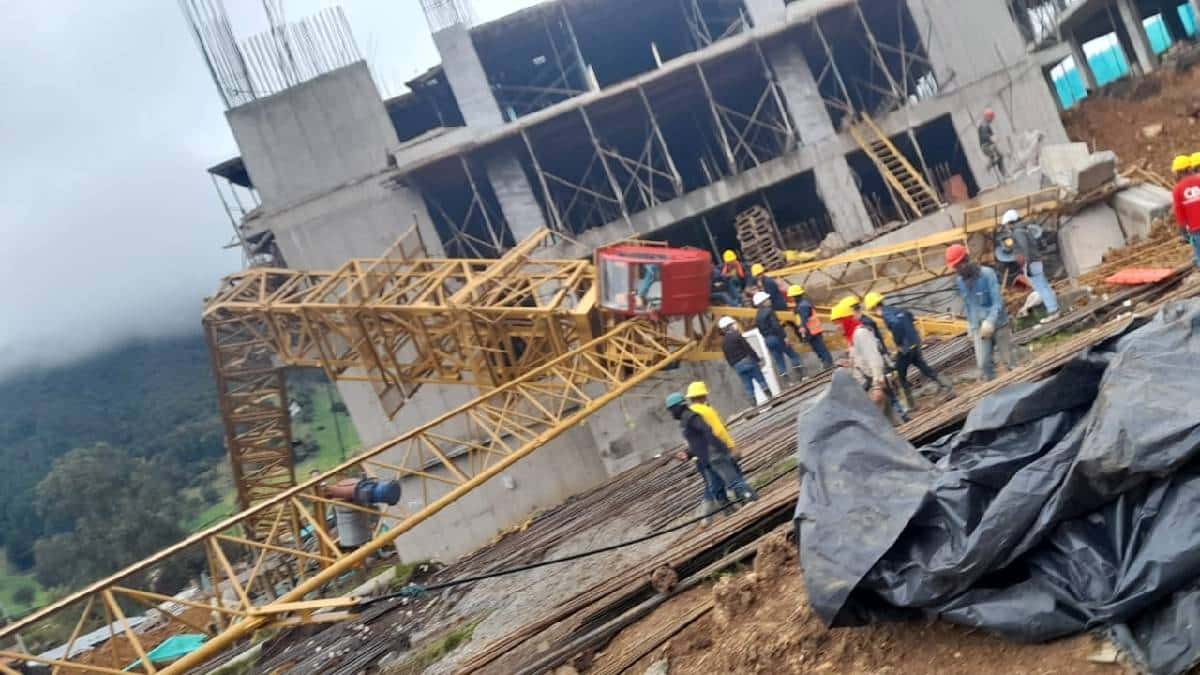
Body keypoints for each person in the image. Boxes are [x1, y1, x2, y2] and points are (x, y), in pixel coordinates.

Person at [666, 392, 757, 516]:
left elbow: (707, 432)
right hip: (706, 458)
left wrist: (723, 448)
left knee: (733, 481)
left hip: (714, 455)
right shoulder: (686, 420)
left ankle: (751, 499)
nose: (671, 414)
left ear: (677, 407)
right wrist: (688, 454)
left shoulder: (692, 417)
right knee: (716, 488)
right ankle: (729, 511)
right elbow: (697, 442)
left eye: (671, 410)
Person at [863, 291, 954, 409]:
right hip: (915, 344)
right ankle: (947, 385)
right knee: (924, 367)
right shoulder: (897, 310)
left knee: (900, 376)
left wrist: (899, 342)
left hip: (905, 349)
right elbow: (910, 316)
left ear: (874, 307)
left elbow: (895, 324)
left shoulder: (886, 315)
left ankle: (910, 405)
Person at [945, 243, 1016, 381]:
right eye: (955, 267)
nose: (957, 270)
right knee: (983, 364)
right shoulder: (960, 281)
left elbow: (997, 301)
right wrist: (971, 328)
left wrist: (990, 321)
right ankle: (994, 391)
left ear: (966, 260)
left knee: (1009, 362)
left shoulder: (987, 274)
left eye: (959, 265)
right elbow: (969, 305)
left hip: (999, 323)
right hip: (979, 326)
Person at [829, 296, 901, 424]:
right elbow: (861, 359)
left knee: (881, 425)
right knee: (889, 423)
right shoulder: (852, 338)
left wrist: (877, 386)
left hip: (875, 386)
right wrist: (849, 364)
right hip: (870, 386)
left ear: (846, 320)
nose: (837, 327)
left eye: (839, 323)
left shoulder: (861, 334)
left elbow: (874, 359)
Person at [1002, 209, 1059, 320]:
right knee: (1044, 285)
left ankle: (1053, 311)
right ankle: (1055, 308)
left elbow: (1024, 249)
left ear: (1010, 222)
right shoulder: (1024, 229)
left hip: (1031, 262)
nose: (1006, 227)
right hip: (1035, 261)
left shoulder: (1018, 232)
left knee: (1040, 287)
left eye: (1007, 225)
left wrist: (1026, 263)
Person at [718, 316, 770, 404]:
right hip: (747, 361)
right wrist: (757, 359)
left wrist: (734, 366)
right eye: (733, 324)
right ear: (730, 326)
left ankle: (754, 405)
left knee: (748, 386)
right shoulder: (737, 335)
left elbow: (727, 356)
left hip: (737, 366)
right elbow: (747, 348)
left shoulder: (723, 343)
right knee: (760, 379)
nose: (736, 326)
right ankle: (771, 398)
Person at [753, 291, 804, 381]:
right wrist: (784, 337)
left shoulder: (757, 316)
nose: (769, 300)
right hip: (776, 337)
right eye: (767, 299)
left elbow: (760, 330)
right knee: (792, 354)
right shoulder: (769, 311)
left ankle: (787, 382)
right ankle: (802, 376)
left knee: (779, 361)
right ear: (763, 302)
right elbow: (776, 326)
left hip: (767, 340)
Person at [787, 284, 833, 369]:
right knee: (818, 348)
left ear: (795, 296)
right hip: (812, 330)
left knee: (819, 348)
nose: (791, 298)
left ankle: (828, 363)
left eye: (792, 297)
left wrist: (802, 327)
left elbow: (803, 318)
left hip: (812, 330)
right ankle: (826, 362)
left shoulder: (803, 306)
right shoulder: (802, 304)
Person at [1172, 154, 1200, 269]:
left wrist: (1183, 231)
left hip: (1196, 230)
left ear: (1179, 172)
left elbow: (1179, 213)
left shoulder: (1178, 189)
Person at [979, 108, 1005, 176]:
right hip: (986, 146)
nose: (992, 119)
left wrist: (995, 137)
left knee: (999, 156)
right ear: (988, 117)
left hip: (989, 145)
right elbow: (984, 135)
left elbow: (991, 134)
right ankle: (988, 167)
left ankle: (1003, 173)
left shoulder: (986, 125)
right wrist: (991, 138)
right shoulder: (983, 125)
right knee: (997, 157)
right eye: (991, 117)